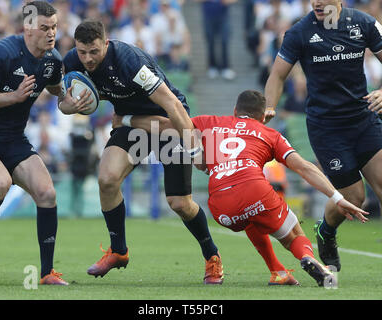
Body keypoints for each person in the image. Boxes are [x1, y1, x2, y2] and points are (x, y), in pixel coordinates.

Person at [120, 90, 369, 287]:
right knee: (292, 230)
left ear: (235, 110)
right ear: (262, 117)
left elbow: (165, 125)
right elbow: (304, 168)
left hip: (219, 204)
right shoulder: (269, 133)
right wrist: (337, 197)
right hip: (254, 189)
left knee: (252, 218)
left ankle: (278, 272)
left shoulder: (210, 122)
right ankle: (306, 256)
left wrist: (126, 119)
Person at [59, 20, 223, 284]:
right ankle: (118, 251)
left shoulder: (130, 61)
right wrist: (68, 106)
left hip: (165, 122)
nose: (88, 59)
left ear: (106, 43)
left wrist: (194, 148)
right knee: (107, 179)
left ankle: (212, 256)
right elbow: (61, 100)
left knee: (179, 203)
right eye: (82, 52)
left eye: (94, 52)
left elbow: (171, 105)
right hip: (131, 124)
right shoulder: (73, 61)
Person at [264, 0, 382, 272]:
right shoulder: (299, 32)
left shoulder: (363, 23)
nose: (317, 2)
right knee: (353, 198)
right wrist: (269, 107)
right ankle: (326, 232)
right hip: (327, 127)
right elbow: (277, 75)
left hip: (364, 120)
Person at [0, 1, 68, 286]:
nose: (51, 33)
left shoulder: (52, 61)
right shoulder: (2, 53)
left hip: (13, 139)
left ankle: (46, 273)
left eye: (54, 27)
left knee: (47, 192)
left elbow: (58, 92)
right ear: (28, 29)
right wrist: (13, 97)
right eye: (44, 27)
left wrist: (73, 102)